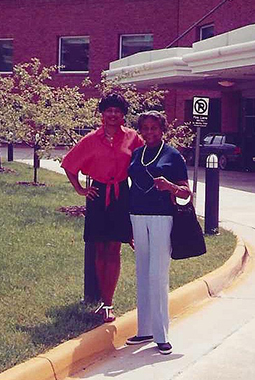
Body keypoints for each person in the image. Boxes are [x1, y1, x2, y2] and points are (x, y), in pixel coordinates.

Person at [61, 92, 143, 323]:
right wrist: (80, 189)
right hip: (97, 194)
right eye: (109, 110)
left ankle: (108, 303)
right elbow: (69, 164)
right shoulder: (90, 139)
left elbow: (144, 160)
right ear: (102, 114)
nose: (113, 115)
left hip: (121, 194)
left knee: (114, 248)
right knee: (99, 249)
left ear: (123, 115)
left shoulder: (132, 138)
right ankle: (100, 299)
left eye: (117, 111)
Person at [126, 110, 191, 355]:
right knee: (142, 273)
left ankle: (161, 335)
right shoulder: (136, 154)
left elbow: (186, 193)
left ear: (162, 129)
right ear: (140, 131)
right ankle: (144, 330)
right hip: (137, 216)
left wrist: (170, 187)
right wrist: (128, 225)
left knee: (157, 274)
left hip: (162, 218)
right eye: (145, 128)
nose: (149, 132)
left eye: (154, 128)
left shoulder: (173, 155)